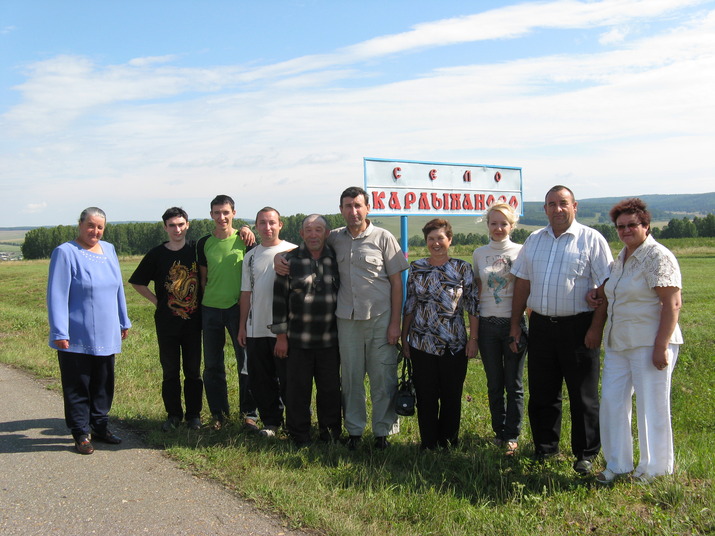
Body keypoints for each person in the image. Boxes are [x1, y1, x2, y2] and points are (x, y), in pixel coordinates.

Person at [275, 186, 409, 450]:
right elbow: (307, 245)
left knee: (383, 378)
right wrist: (280, 257)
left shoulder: (384, 238)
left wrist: (396, 323)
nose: (353, 211)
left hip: (380, 319)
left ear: (367, 208)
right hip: (346, 322)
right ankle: (355, 431)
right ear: (341, 210)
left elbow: (397, 283)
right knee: (350, 380)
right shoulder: (334, 237)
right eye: (348, 206)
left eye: (358, 205)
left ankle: (382, 433)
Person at [509, 185, 612, 475]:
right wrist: (516, 324)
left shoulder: (592, 240)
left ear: (575, 206)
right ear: (545, 209)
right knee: (543, 392)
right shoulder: (534, 240)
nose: (557, 209)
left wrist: (595, 329)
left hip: (578, 327)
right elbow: (522, 284)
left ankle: (586, 453)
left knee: (583, 395)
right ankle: (545, 447)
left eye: (563, 203)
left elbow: (605, 289)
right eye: (551, 204)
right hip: (541, 325)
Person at [594, 198, 683, 484]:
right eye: (620, 226)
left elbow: (672, 303)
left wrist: (661, 347)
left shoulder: (657, 256)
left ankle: (654, 470)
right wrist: (597, 292)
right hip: (619, 343)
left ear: (645, 225)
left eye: (632, 225)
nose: (626, 230)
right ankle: (617, 464)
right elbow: (612, 291)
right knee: (612, 402)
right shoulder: (619, 259)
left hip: (650, 343)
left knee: (651, 406)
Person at [47, 207, 131, 454]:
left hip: (107, 330)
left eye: (100, 227)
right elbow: (57, 294)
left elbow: (118, 288)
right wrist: (60, 332)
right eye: (91, 225)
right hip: (76, 334)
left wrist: (123, 320)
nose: (95, 231)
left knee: (104, 383)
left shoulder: (110, 250)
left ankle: (101, 427)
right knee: (78, 384)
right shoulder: (65, 252)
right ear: (80, 225)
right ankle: (81, 432)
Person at [401, 219, 478, 450]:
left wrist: (473, 339)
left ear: (449, 240)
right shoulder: (416, 267)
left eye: (440, 238)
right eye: (431, 239)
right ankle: (428, 443)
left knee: (451, 395)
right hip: (421, 342)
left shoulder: (463, 268)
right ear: (426, 242)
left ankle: (448, 442)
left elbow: (473, 305)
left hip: (453, 344)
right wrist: (404, 338)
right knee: (426, 396)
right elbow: (410, 304)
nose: (436, 243)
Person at [129, 207, 203, 432]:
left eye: (181, 224)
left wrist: (245, 229)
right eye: (172, 225)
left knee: (193, 371)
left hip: (193, 321)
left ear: (187, 225)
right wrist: (156, 301)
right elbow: (137, 281)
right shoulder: (157, 254)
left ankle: (194, 416)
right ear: (165, 227)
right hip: (166, 322)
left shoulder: (197, 250)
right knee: (170, 371)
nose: (177, 229)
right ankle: (173, 415)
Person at [271, 214, 342, 447]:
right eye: (308, 230)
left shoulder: (336, 259)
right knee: (297, 392)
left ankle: (330, 435)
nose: (313, 235)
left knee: (330, 391)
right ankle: (299, 435)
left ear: (327, 233)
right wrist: (281, 337)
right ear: (301, 234)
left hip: (330, 340)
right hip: (297, 341)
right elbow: (279, 301)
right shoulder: (287, 262)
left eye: (318, 229)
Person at [198, 194, 257, 431]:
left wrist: (247, 227)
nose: (221, 217)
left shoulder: (245, 239)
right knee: (213, 365)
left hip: (239, 309)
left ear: (233, 213)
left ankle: (249, 415)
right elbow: (203, 278)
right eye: (216, 213)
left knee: (245, 363)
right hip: (211, 309)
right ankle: (218, 415)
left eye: (226, 212)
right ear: (211, 215)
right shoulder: (204, 243)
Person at [472, 203, 527, 456]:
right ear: (488, 225)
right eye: (494, 223)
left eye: (503, 223)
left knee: (513, 383)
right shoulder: (479, 254)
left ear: (512, 226)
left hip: (513, 324)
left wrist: (520, 323)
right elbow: (477, 289)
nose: (498, 228)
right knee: (494, 383)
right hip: (487, 325)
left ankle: (512, 434)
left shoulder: (522, 251)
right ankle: (499, 431)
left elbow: (526, 289)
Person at [237, 207, 297, 437]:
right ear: (256, 226)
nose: (268, 227)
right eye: (262, 223)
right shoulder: (251, 256)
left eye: (272, 222)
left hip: (286, 329)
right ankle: (270, 423)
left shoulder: (293, 251)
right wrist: (242, 326)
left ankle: (296, 423)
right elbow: (246, 293)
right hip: (256, 328)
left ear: (280, 224)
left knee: (290, 379)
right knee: (261, 380)